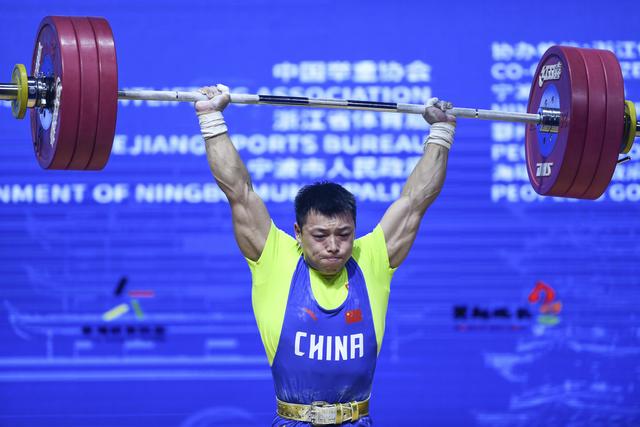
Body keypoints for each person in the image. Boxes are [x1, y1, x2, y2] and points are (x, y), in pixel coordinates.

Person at [195, 85, 456, 426]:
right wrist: (211, 118)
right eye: (320, 236)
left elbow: (415, 201)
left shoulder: (371, 257)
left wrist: (441, 132)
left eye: (344, 234)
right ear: (298, 233)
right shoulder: (275, 258)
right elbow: (238, 191)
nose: (333, 245)